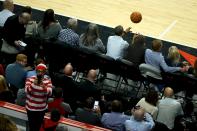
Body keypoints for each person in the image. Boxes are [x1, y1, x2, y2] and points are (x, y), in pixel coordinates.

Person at [25, 63, 52, 131]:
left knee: (38, 127)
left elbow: (50, 93)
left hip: (41, 109)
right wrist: (33, 84)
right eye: (38, 71)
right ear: (36, 71)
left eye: (42, 71)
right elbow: (26, 91)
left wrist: (44, 87)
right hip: (30, 108)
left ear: (44, 72)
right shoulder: (30, 79)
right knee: (31, 126)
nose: (40, 73)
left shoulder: (48, 81)